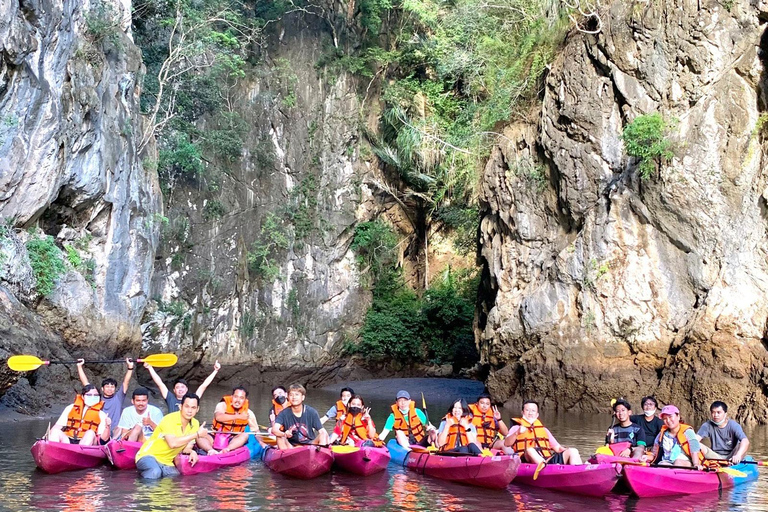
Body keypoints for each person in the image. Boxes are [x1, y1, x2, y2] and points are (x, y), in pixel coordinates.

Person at [135, 393, 208, 479]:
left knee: (175, 477)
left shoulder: (195, 423)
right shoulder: (169, 419)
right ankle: (142, 491)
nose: (189, 411)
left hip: (166, 461)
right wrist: (197, 434)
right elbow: (172, 443)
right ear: (180, 407)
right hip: (148, 456)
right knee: (155, 472)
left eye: (193, 408)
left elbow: (186, 448)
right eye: (186, 406)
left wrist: (192, 452)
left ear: (197, 409)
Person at [505, 400, 582, 465]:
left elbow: (557, 448)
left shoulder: (544, 430)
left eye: (533, 410)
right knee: (530, 450)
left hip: (547, 460)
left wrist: (565, 449)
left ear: (537, 414)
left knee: (573, 451)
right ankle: (544, 467)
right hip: (526, 460)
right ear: (522, 412)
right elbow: (506, 443)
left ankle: (579, 472)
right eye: (527, 410)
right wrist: (517, 433)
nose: (530, 413)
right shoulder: (516, 428)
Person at [76, 357, 134, 437]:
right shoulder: (97, 398)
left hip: (115, 432)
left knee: (121, 429)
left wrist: (130, 367)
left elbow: (126, 382)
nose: (110, 389)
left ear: (115, 389)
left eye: (112, 387)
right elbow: (86, 384)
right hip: (100, 431)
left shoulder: (118, 397)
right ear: (102, 389)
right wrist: (79, 366)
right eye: (107, 386)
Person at [144, 360, 221, 413]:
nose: (180, 389)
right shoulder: (170, 398)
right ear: (174, 390)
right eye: (177, 387)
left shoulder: (192, 398)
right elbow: (160, 383)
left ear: (187, 389)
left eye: (182, 387)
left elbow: (203, 385)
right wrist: (150, 368)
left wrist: (215, 371)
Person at [271, 383, 329, 449]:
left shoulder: (312, 412)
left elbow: (322, 431)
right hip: (291, 447)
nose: (294, 397)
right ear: (288, 397)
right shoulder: (283, 413)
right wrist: (284, 434)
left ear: (303, 397)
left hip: (310, 446)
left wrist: (326, 443)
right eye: (291, 395)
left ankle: (320, 455)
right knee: (279, 436)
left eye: (297, 394)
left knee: (323, 434)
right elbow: (274, 429)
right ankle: (286, 457)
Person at [212, 386, 260, 452]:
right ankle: (210, 450)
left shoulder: (248, 413)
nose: (237, 400)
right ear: (231, 397)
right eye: (235, 397)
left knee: (245, 435)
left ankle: (227, 449)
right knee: (201, 435)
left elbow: (256, 431)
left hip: (233, 439)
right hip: (216, 435)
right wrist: (239, 416)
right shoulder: (222, 405)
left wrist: (262, 444)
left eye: (241, 398)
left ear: (245, 400)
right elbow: (218, 417)